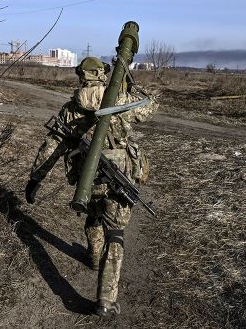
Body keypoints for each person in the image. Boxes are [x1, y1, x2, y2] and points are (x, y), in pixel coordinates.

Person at [24, 56, 157, 317]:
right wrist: (130, 83)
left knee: (93, 215)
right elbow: (150, 106)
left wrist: (35, 179)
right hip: (119, 175)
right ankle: (106, 299)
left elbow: (52, 145)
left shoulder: (71, 109)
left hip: (87, 178)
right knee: (115, 233)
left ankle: (94, 258)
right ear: (102, 74)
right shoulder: (118, 102)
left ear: (81, 76)